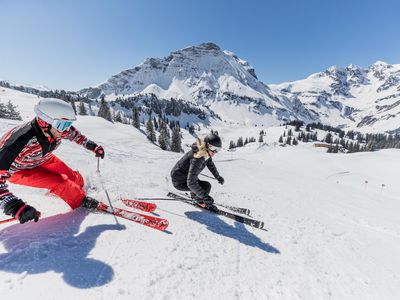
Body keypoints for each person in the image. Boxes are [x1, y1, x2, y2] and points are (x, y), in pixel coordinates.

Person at [0, 98, 104, 224]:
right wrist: (14, 206)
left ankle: (79, 187)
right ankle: (80, 200)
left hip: (42, 158)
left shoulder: (57, 129)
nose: (65, 130)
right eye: (62, 125)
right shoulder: (17, 143)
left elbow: (76, 136)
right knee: (60, 182)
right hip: (20, 170)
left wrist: (93, 146)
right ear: (44, 122)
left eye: (68, 124)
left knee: (74, 177)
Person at [170, 132, 224, 208]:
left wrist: (218, 177)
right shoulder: (198, 157)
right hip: (179, 181)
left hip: (185, 176)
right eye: (214, 149)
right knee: (206, 186)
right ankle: (198, 201)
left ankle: (195, 195)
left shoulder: (205, 152)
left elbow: (211, 165)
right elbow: (191, 183)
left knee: (200, 185)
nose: (215, 152)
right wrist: (205, 197)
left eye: (218, 150)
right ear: (208, 145)